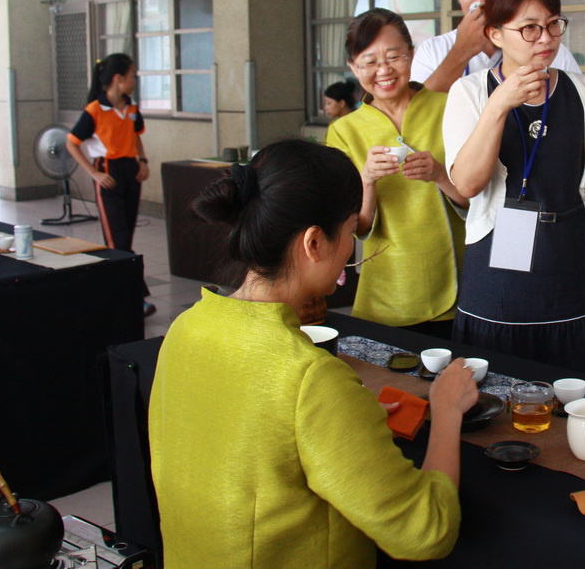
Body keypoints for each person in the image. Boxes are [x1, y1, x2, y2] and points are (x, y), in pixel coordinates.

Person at [149, 139, 477, 568]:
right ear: (314, 242)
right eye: (347, 233)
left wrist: (352, 416)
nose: (349, 251)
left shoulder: (185, 327)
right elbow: (423, 532)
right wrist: (447, 411)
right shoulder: (309, 378)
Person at [443, 0, 585, 377]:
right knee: (498, 389)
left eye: (552, 25)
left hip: (566, 258)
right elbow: (467, 184)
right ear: (495, 34)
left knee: (577, 393)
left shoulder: (582, 89)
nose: (545, 38)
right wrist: (499, 105)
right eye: (529, 28)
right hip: (496, 267)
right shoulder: (469, 93)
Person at [325, 9, 467, 335]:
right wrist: (368, 180)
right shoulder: (344, 131)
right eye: (369, 62)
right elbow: (357, 228)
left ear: (412, 55)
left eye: (394, 57)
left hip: (460, 283)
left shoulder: (450, 107)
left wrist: (440, 175)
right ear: (352, 67)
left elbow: (481, 201)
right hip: (389, 288)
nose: (384, 70)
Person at [410, 0, 581, 91]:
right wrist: (461, 51)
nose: (480, 1)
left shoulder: (546, 48)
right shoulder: (434, 49)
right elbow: (416, 114)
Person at [66, 53, 148, 252]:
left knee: (127, 230)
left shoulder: (131, 107)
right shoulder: (95, 110)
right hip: (108, 169)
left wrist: (143, 160)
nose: (134, 79)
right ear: (118, 79)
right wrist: (94, 173)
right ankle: (121, 275)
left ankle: (127, 275)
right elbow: (71, 143)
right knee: (116, 236)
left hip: (131, 169)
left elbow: (135, 135)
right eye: (132, 75)